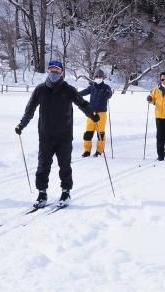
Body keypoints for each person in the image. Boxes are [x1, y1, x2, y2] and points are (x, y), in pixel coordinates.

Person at [15, 60, 99, 208]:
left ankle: (66, 192)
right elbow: (30, 110)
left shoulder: (68, 89)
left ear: (62, 72)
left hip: (64, 135)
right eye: (51, 70)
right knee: (43, 165)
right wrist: (22, 124)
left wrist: (92, 114)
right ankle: (42, 193)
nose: (54, 73)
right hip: (46, 135)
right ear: (48, 71)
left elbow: (82, 103)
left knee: (64, 165)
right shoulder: (40, 90)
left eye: (57, 70)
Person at [79, 69, 113, 156]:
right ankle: (87, 151)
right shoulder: (91, 87)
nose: (98, 78)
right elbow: (83, 93)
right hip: (91, 114)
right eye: (97, 76)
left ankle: (99, 151)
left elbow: (109, 94)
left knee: (100, 133)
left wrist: (108, 93)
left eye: (100, 77)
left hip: (101, 113)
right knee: (88, 133)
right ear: (94, 78)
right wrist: (74, 94)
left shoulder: (106, 87)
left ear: (103, 78)